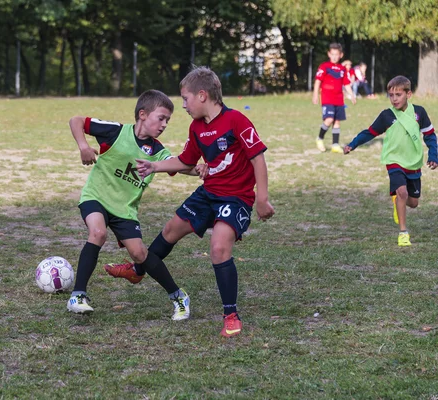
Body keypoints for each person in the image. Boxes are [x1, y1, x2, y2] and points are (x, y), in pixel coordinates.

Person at [104, 67, 275, 337]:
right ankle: (138, 270)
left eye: (185, 99)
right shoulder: (196, 127)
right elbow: (186, 161)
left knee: (218, 248)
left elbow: (258, 158)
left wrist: (262, 198)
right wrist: (154, 166)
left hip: (236, 198)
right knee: (171, 229)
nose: (183, 105)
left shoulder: (236, 121)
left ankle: (231, 314)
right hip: (208, 194)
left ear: (203, 95)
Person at [66, 89, 206, 320]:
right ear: (142, 114)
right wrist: (83, 146)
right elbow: (76, 121)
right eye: (160, 118)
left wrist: (198, 168)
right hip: (96, 197)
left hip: (125, 210)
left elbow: (178, 165)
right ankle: (78, 295)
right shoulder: (116, 131)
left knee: (139, 253)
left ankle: (178, 296)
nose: (164, 125)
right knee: (98, 232)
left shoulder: (157, 151)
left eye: (167, 121)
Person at [344, 75, 437, 246]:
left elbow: (430, 135)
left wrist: (433, 156)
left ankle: (397, 201)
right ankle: (403, 233)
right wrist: (353, 144)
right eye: (391, 95)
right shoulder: (386, 116)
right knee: (402, 192)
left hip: (413, 162)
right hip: (394, 160)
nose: (394, 99)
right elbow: (369, 132)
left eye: (398, 95)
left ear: (408, 94)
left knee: (413, 202)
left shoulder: (419, 113)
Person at [313, 43, 356, 153]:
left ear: (341, 55)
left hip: (339, 99)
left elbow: (346, 84)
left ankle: (335, 145)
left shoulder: (342, 69)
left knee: (337, 121)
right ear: (329, 54)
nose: (334, 57)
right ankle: (320, 138)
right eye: (332, 54)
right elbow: (318, 81)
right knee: (329, 119)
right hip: (327, 99)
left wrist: (351, 95)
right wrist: (315, 94)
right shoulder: (324, 66)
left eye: (337, 54)